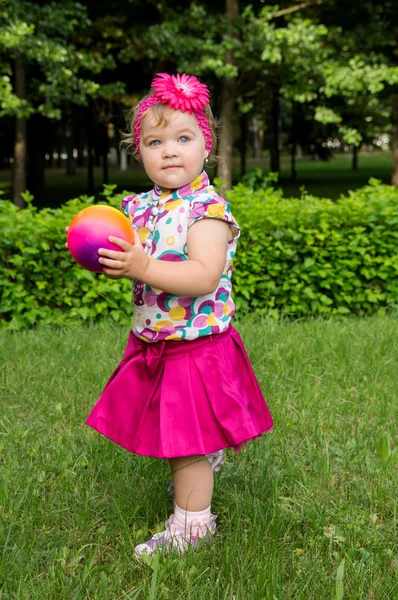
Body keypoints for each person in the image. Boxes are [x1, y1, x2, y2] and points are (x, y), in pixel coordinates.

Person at [84, 72, 273, 558]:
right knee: (175, 430)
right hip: (154, 342)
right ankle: (202, 468)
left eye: (183, 138)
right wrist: (119, 260)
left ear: (205, 148)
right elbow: (138, 260)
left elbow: (203, 275)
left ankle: (193, 525)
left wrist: (144, 265)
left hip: (195, 347)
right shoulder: (139, 207)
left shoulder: (206, 210)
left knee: (184, 441)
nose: (169, 150)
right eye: (155, 141)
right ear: (139, 151)